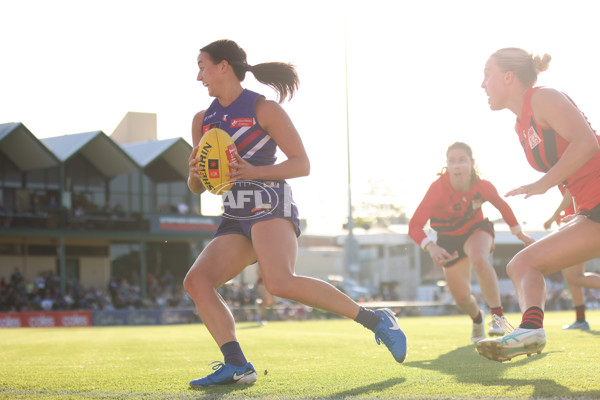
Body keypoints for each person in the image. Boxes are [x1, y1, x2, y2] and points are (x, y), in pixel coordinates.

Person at [183, 39, 407, 387]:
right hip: (235, 214)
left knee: (279, 282)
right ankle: (237, 365)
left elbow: (302, 164)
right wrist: (196, 174)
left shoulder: (263, 109)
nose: (199, 76)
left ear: (224, 65)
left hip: (269, 203)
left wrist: (250, 171)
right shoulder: (202, 120)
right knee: (196, 282)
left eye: (202, 66)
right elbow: (199, 187)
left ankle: (377, 320)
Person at [476, 47, 600, 362]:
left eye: (487, 74)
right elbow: (571, 168)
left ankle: (533, 330)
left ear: (508, 77)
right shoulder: (521, 124)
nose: (482, 84)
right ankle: (531, 330)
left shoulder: (543, 97)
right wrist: (570, 212)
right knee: (520, 265)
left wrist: (544, 184)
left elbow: (587, 143)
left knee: (523, 264)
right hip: (593, 211)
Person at [408, 142, 534, 343]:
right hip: (447, 239)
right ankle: (477, 318)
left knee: (479, 258)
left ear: (472, 163)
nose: (457, 165)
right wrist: (431, 246)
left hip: (476, 230)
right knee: (462, 299)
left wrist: (519, 233)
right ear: (447, 165)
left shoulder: (482, 186)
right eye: (452, 161)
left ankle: (498, 317)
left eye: (462, 160)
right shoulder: (437, 188)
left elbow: (503, 207)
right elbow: (414, 225)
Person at [543, 185, 600, 330]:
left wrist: (554, 216)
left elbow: (572, 189)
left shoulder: (568, 164)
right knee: (572, 276)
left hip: (579, 221)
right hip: (580, 219)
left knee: (574, 277)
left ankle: (581, 320)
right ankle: (580, 319)